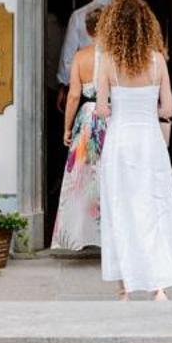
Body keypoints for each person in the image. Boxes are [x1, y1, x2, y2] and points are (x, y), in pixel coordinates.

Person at [91, 0, 172, 300]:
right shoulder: (157, 60)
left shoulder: (108, 60)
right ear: (148, 26)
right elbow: (168, 109)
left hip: (120, 143)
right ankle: (158, 285)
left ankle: (124, 285)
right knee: (153, 208)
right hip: (149, 142)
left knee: (120, 210)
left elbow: (102, 109)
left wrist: (113, 106)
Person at [49, 40, 104, 251]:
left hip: (89, 117)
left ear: (89, 31)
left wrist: (67, 128)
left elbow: (73, 96)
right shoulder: (117, 53)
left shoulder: (81, 56)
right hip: (112, 115)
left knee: (82, 177)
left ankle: (79, 234)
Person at [53, 0, 114, 112]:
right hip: (118, 90)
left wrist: (64, 85)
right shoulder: (122, 14)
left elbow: (68, 59)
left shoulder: (79, 15)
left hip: (88, 92)